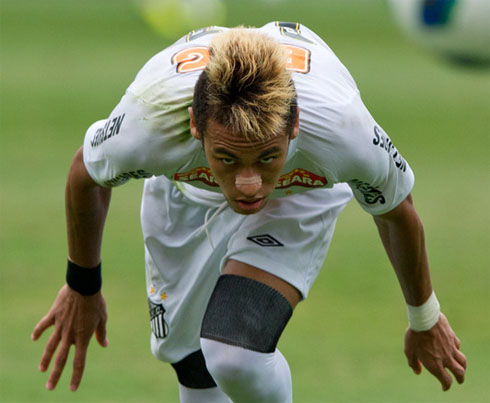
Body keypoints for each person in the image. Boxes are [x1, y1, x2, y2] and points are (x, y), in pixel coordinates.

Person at [31, 22, 466, 402]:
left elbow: (395, 210)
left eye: (266, 157)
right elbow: (84, 175)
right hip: (185, 192)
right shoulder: (149, 124)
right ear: (195, 126)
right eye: (227, 158)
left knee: (234, 355)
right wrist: (82, 285)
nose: (248, 184)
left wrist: (424, 318)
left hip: (297, 196)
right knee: (192, 364)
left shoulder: (340, 130)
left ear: (294, 125)